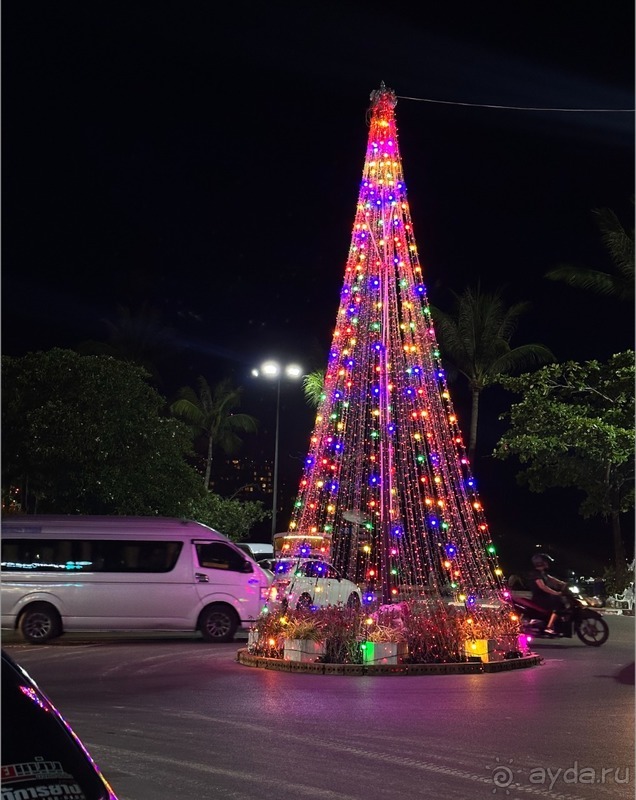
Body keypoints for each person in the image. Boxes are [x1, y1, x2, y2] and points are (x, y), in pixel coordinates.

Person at [529, 553, 567, 634]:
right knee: (559, 605)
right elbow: (542, 587)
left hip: (545, 597)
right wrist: (555, 593)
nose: (547, 563)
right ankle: (549, 627)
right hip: (539, 598)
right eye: (546, 562)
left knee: (560, 601)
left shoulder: (543, 573)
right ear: (540, 563)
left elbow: (552, 579)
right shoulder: (535, 574)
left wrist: (563, 583)